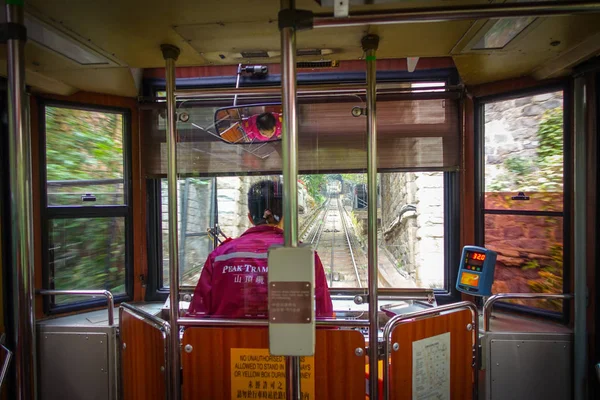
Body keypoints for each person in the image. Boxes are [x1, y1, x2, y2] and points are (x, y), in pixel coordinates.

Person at [187, 180, 333, 319]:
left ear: (250, 218)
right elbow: (324, 315)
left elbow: (196, 317)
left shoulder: (219, 256)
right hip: (290, 345)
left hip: (225, 345)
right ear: (286, 216)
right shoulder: (305, 256)